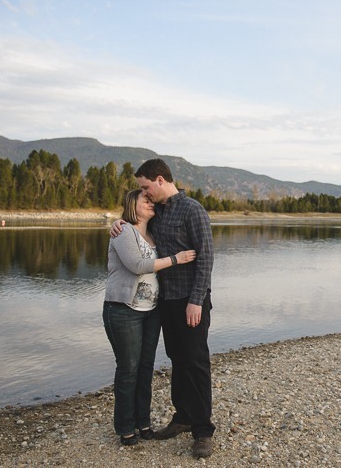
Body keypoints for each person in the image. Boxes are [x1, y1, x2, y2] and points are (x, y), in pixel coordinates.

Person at [110, 158, 215, 458]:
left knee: (196, 362)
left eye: (145, 187)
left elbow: (205, 258)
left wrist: (196, 300)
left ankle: (203, 430)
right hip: (166, 301)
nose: (145, 193)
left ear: (159, 180)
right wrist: (117, 223)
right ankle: (182, 417)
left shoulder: (192, 209)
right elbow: (135, 229)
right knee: (177, 359)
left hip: (190, 300)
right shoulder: (158, 212)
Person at [103, 188, 196, 446]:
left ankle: (143, 422)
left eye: (151, 199)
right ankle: (124, 426)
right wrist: (176, 259)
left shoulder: (153, 234)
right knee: (128, 369)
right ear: (132, 204)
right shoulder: (123, 232)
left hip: (151, 312)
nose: (151, 203)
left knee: (145, 369)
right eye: (146, 200)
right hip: (123, 311)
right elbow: (137, 265)